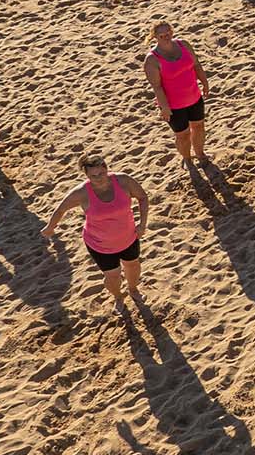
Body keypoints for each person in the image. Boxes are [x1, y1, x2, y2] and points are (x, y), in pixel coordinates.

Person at [40, 154, 150, 311]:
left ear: (106, 169)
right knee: (113, 276)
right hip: (99, 244)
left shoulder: (123, 181)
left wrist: (142, 224)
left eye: (101, 173)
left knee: (132, 266)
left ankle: (133, 290)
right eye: (93, 176)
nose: (99, 178)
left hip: (129, 237)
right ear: (86, 176)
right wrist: (50, 228)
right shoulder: (81, 193)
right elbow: (61, 209)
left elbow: (143, 197)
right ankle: (118, 296)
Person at [143, 22, 209, 166]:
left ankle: (200, 154)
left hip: (194, 96)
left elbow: (196, 64)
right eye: (161, 35)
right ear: (155, 37)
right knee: (183, 135)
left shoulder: (183, 45)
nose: (166, 37)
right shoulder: (152, 59)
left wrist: (204, 82)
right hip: (174, 105)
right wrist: (164, 107)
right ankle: (187, 159)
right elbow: (157, 87)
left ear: (172, 32)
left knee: (198, 127)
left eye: (168, 33)